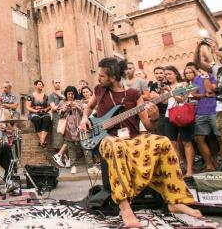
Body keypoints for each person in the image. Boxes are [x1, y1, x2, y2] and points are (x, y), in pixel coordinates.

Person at [80, 58, 201, 228]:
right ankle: (124, 206)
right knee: (117, 146)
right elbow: (88, 107)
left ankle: (175, 199)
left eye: (101, 76)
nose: (98, 78)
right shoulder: (99, 90)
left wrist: (155, 116)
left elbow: (151, 127)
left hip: (133, 138)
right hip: (108, 140)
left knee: (163, 141)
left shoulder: (134, 95)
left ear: (113, 77)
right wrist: (85, 118)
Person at [163, 66, 195, 178]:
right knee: (172, 143)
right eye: (166, 74)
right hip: (169, 115)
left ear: (176, 74)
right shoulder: (166, 87)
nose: (167, 76)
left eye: (169, 73)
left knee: (187, 142)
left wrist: (170, 91)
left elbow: (182, 99)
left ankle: (190, 170)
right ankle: (179, 168)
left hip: (183, 114)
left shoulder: (183, 84)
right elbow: (165, 102)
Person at [189, 67, 222, 172]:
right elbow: (192, 94)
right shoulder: (196, 79)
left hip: (215, 110)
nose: (201, 71)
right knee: (199, 139)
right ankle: (209, 165)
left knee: (220, 138)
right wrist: (203, 95)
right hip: (201, 112)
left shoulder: (214, 77)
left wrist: (206, 78)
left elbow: (211, 91)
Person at [54, 86, 86, 175]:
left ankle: (90, 166)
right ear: (66, 94)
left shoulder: (79, 102)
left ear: (75, 94)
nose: (70, 96)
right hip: (68, 128)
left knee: (85, 146)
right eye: (69, 94)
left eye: (72, 94)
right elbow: (60, 114)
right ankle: (73, 166)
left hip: (79, 127)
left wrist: (78, 107)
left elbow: (84, 114)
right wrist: (65, 108)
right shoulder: (62, 102)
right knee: (71, 148)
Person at [25, 80, 51, 148]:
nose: (41, 85)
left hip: (44, 112)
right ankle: (43, 141)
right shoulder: (30, 96)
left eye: (42, 84)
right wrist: (35, 111)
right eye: (39, 84)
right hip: (34, 113)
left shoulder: (46, 96)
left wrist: (45, 109)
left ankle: (41, 141)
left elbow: (49, 106)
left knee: (47, 119)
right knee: (36, 119)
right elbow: (27, 107)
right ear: (35, 85)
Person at [49, 79, 68, 167]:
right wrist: (62, 106)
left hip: (67, 119)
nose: (58, 84)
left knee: (68, 139)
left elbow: (67, 101)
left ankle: (64, 159)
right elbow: (53, 108)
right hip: (57, 119)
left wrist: (60, 96)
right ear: (53, 84)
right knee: (59, 140)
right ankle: (61, 159)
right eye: (56, 82)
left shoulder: (64, 93)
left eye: (59, 82)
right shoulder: (51, 95)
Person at [148, 67, 169, 135]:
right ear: (154, 74)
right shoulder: (153, 85)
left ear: (164, 74)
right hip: (158, 113)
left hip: (168, 112)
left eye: (161, 73)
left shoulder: (168, 84)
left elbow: (168, 99)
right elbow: (152, 98)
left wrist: (158, 96)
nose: (159, 75)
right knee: (160, 135)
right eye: (156, 73)